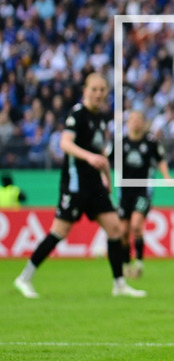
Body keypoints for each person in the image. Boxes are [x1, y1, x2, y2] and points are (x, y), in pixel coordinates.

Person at [13, 73, 146, 299]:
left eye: (102, 90)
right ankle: (25, 277)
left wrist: (107, 177)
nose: (98, 94)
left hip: (95, 185)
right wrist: (88, 158)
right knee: (59, 231)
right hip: (75, 184)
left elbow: (101, 153)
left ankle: (119, 284)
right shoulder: (78, 114)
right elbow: (65, 143)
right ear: (85, 90)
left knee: (115, 228)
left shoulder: (101, 119)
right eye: (94, 89)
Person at [117, 110, 173, 278]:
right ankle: (126, 264)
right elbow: (106, 158)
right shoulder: (121, 143)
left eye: (138, 120)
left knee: (135, 225)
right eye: (132, 120)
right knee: (124, 231)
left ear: (143, 123)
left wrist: (166, 176)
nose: (135, 123)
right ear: (128, 123)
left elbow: (160, 160)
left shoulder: (150, 142)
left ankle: (139, 263)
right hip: (125, 191)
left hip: (143, 190)